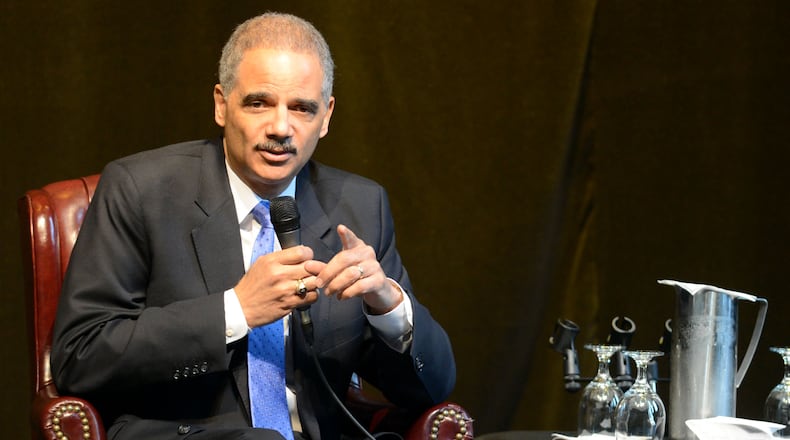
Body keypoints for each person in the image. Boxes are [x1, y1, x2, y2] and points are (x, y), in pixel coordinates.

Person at [51, 12, 455, 440]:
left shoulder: (359, 205)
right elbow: (81, 355)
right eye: (259, 102)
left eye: (302, 108)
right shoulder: (141, 190)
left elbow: (431, 388)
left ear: (327, 116)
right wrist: (235, 310)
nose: (281, 128)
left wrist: (387, 307)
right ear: (221, 105)